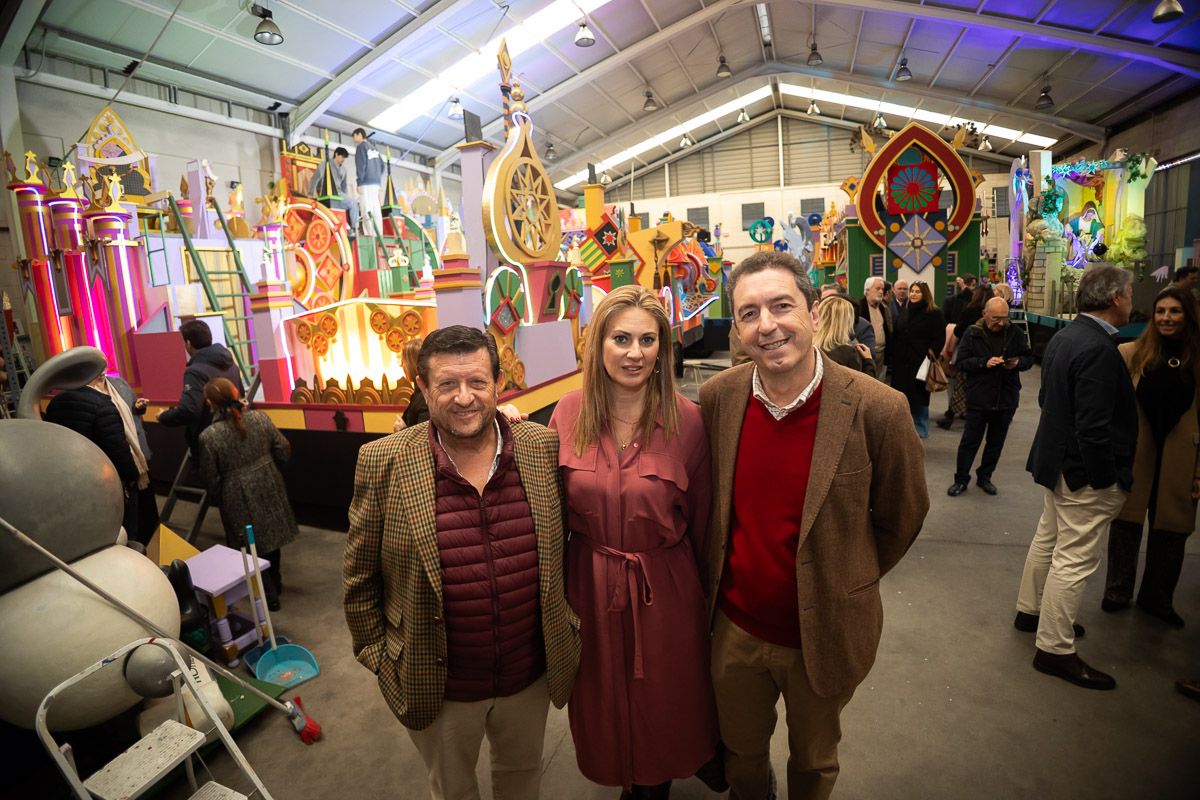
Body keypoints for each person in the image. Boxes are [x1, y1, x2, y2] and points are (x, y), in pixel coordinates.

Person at [699, 251, 929, 800]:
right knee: (743, 758)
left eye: (782, 306)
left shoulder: (879, 408)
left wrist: (848, 573)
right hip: (734, 630)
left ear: (814, 311)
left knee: (815, 761)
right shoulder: (717, 399)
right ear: (737, 326)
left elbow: (902, 518)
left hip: (824, 632)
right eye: (749, 313)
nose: (768, 325)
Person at [343, 325, 580, 800]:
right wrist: (380, 657)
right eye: (447, 385)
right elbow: (359, 577)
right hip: (439, 685)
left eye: (477, 382)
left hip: (528, 675)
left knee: (521, 777)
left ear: (498, 384)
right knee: (453, 790)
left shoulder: (540, 447)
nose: (464, 397)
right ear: (424, 389)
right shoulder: (383, 461)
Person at [548, 285, 718, 798]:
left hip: (664, 589)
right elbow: (550, 508)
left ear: (664, 349)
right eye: (621, 338)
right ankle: (624, 775)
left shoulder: (688, 421)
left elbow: (707, 521)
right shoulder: (568, 412)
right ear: (597, 344)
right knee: (602, 699)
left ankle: (654, 785)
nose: (635, 352)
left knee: (663, 699)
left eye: (648, 340)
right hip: (590, 585)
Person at [1016, 265, 1136, 691]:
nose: (1132, 300)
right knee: (1074, 558)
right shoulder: (1100, 349)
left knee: (1048, 539)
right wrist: (1105, 479)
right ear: (1117, 298)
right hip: (1083, 472)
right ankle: (1054, 648)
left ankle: (1031, 612)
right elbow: (1095, 426)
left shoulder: (1067, 336)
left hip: (1057, 462)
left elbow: (1050, 398)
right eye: (1130, 293)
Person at [1102, 287, 1200, 628]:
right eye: (1160, 311)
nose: (1167, 318)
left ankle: (1157, 598)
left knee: (1173, 529)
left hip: (1182, 457)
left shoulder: (1197, 360)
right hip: (1137, 453)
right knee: (1126, 523)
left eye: (1175, 311)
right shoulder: (1131, 354)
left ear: (1187, 315)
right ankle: (1117, 590)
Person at [197, 378, 297, 611]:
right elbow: (283, 449)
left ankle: (268, 594)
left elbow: (210, 477)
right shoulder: (260, 419)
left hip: (236, 494)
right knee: (272, 537)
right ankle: (277, 581)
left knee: (250, 544)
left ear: (210, 403)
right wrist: (270, 468)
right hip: (268, 481)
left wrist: (220, 495)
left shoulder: (209, 437)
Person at [947, 298, 1034, 497]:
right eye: (996, 318)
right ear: (985, 314)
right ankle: (961, 480)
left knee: (996, 442)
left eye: (1005, 318)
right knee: (970, 441)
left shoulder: (1015, 333)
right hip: (979, 396)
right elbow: (961, 363)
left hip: (1006, 398)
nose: (1001, 323)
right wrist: (984, 363)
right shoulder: (972, 333)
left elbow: (1029, 358)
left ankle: (985, 477)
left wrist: (1018, 362)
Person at [45, 370, 142, 541]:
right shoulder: (103, 405)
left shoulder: (55, 403)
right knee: (123, 533)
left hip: (71, 481)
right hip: (106, 481)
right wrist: (133, 475)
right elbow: (118, 449)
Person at [157, 319, 244, 455]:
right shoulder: (231, 363)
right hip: (237, 432)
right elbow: (240, 395)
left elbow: (190, 410)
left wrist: (163, 416)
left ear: (188, 343)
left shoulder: (195, 371)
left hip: (211, 442)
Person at [96, 372, 159, 544]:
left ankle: (152, 543)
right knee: (129, 517)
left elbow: (133, 411)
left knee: (147, 510)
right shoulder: (85, 393)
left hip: (138, 458)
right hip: (116, 463)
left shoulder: (119, 384)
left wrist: (139, 407)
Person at [887, 281, 946, 438]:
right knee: (901, 396)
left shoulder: (934, 312)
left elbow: (940, 336)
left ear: (925, 294)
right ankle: (903, 429)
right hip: (901, 362)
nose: (913, 294)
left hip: (921, 362)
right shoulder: (905, 311)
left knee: (919, 396)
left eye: (917, 291)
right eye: (912, 291)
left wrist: (932, 351)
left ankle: (920, 430)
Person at [938, 285, 992, 430]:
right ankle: (973, 413)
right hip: (986, 354)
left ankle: (951, 414)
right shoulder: (990, 313)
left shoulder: (969, 310)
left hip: (966, 352)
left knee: (958, 384)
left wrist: (949, 352)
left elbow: (957, 331)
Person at [815, 295, 875, 376]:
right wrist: (868, 361)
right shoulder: (848, 353)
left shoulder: (808, 347)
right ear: (846, 321)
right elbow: (865, 386)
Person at [308, 145, 359, 236]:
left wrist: (345, 198)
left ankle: (354, 228)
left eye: (344, 157)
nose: (343, 159)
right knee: (352, 202)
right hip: (325, 194)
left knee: (353, 203)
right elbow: (314, 179)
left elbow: (344, 187)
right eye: (342, 156)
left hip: (339, 195)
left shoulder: (344, 169)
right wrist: (310, 194)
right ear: (336, 154)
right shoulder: (324, 164)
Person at [818, 283, 876, 360]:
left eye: (832, 299)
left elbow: (869, 354)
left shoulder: (862, 326)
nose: (827, 303)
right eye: (823, 299)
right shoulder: (817, 325)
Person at [393, 337, 429, 433]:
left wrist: (402, 431)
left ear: (411, 364)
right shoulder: (419, 392)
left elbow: (424, 437)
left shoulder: (424, 396)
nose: (401, 365)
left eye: (403, 361)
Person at [353, 127, 385, 236]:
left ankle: (369, 234)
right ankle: (378, 233)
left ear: (359, 134)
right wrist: (376, 176)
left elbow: (361, 165)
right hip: (376, 183)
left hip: (366, 182)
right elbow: (382, 165)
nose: (354, 138)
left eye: (354, 136)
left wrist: (359, 181)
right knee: (376, 207)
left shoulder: (361, 147)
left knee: (366, 207)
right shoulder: (374, 148)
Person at [857, 276, 891, 379]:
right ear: (867, 290)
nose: (881, 292)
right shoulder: (858, 307)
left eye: (882, 289)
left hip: (882, 354)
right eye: (877, 288)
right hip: (865, 354)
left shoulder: (883, 308)